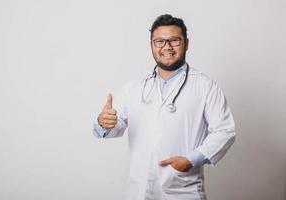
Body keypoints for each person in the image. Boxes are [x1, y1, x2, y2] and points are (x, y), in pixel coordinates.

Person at [92, 14, 236, 200]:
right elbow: (114, 128)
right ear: (151, 45)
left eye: (174, 40)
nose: (166, 47)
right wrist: (103, 122)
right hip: (140, 189)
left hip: (184, 189)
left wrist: (191, 160)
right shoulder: (135, 87)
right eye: (159, 41)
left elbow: (225, 131)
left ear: (187, 43)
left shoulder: (205, 86)